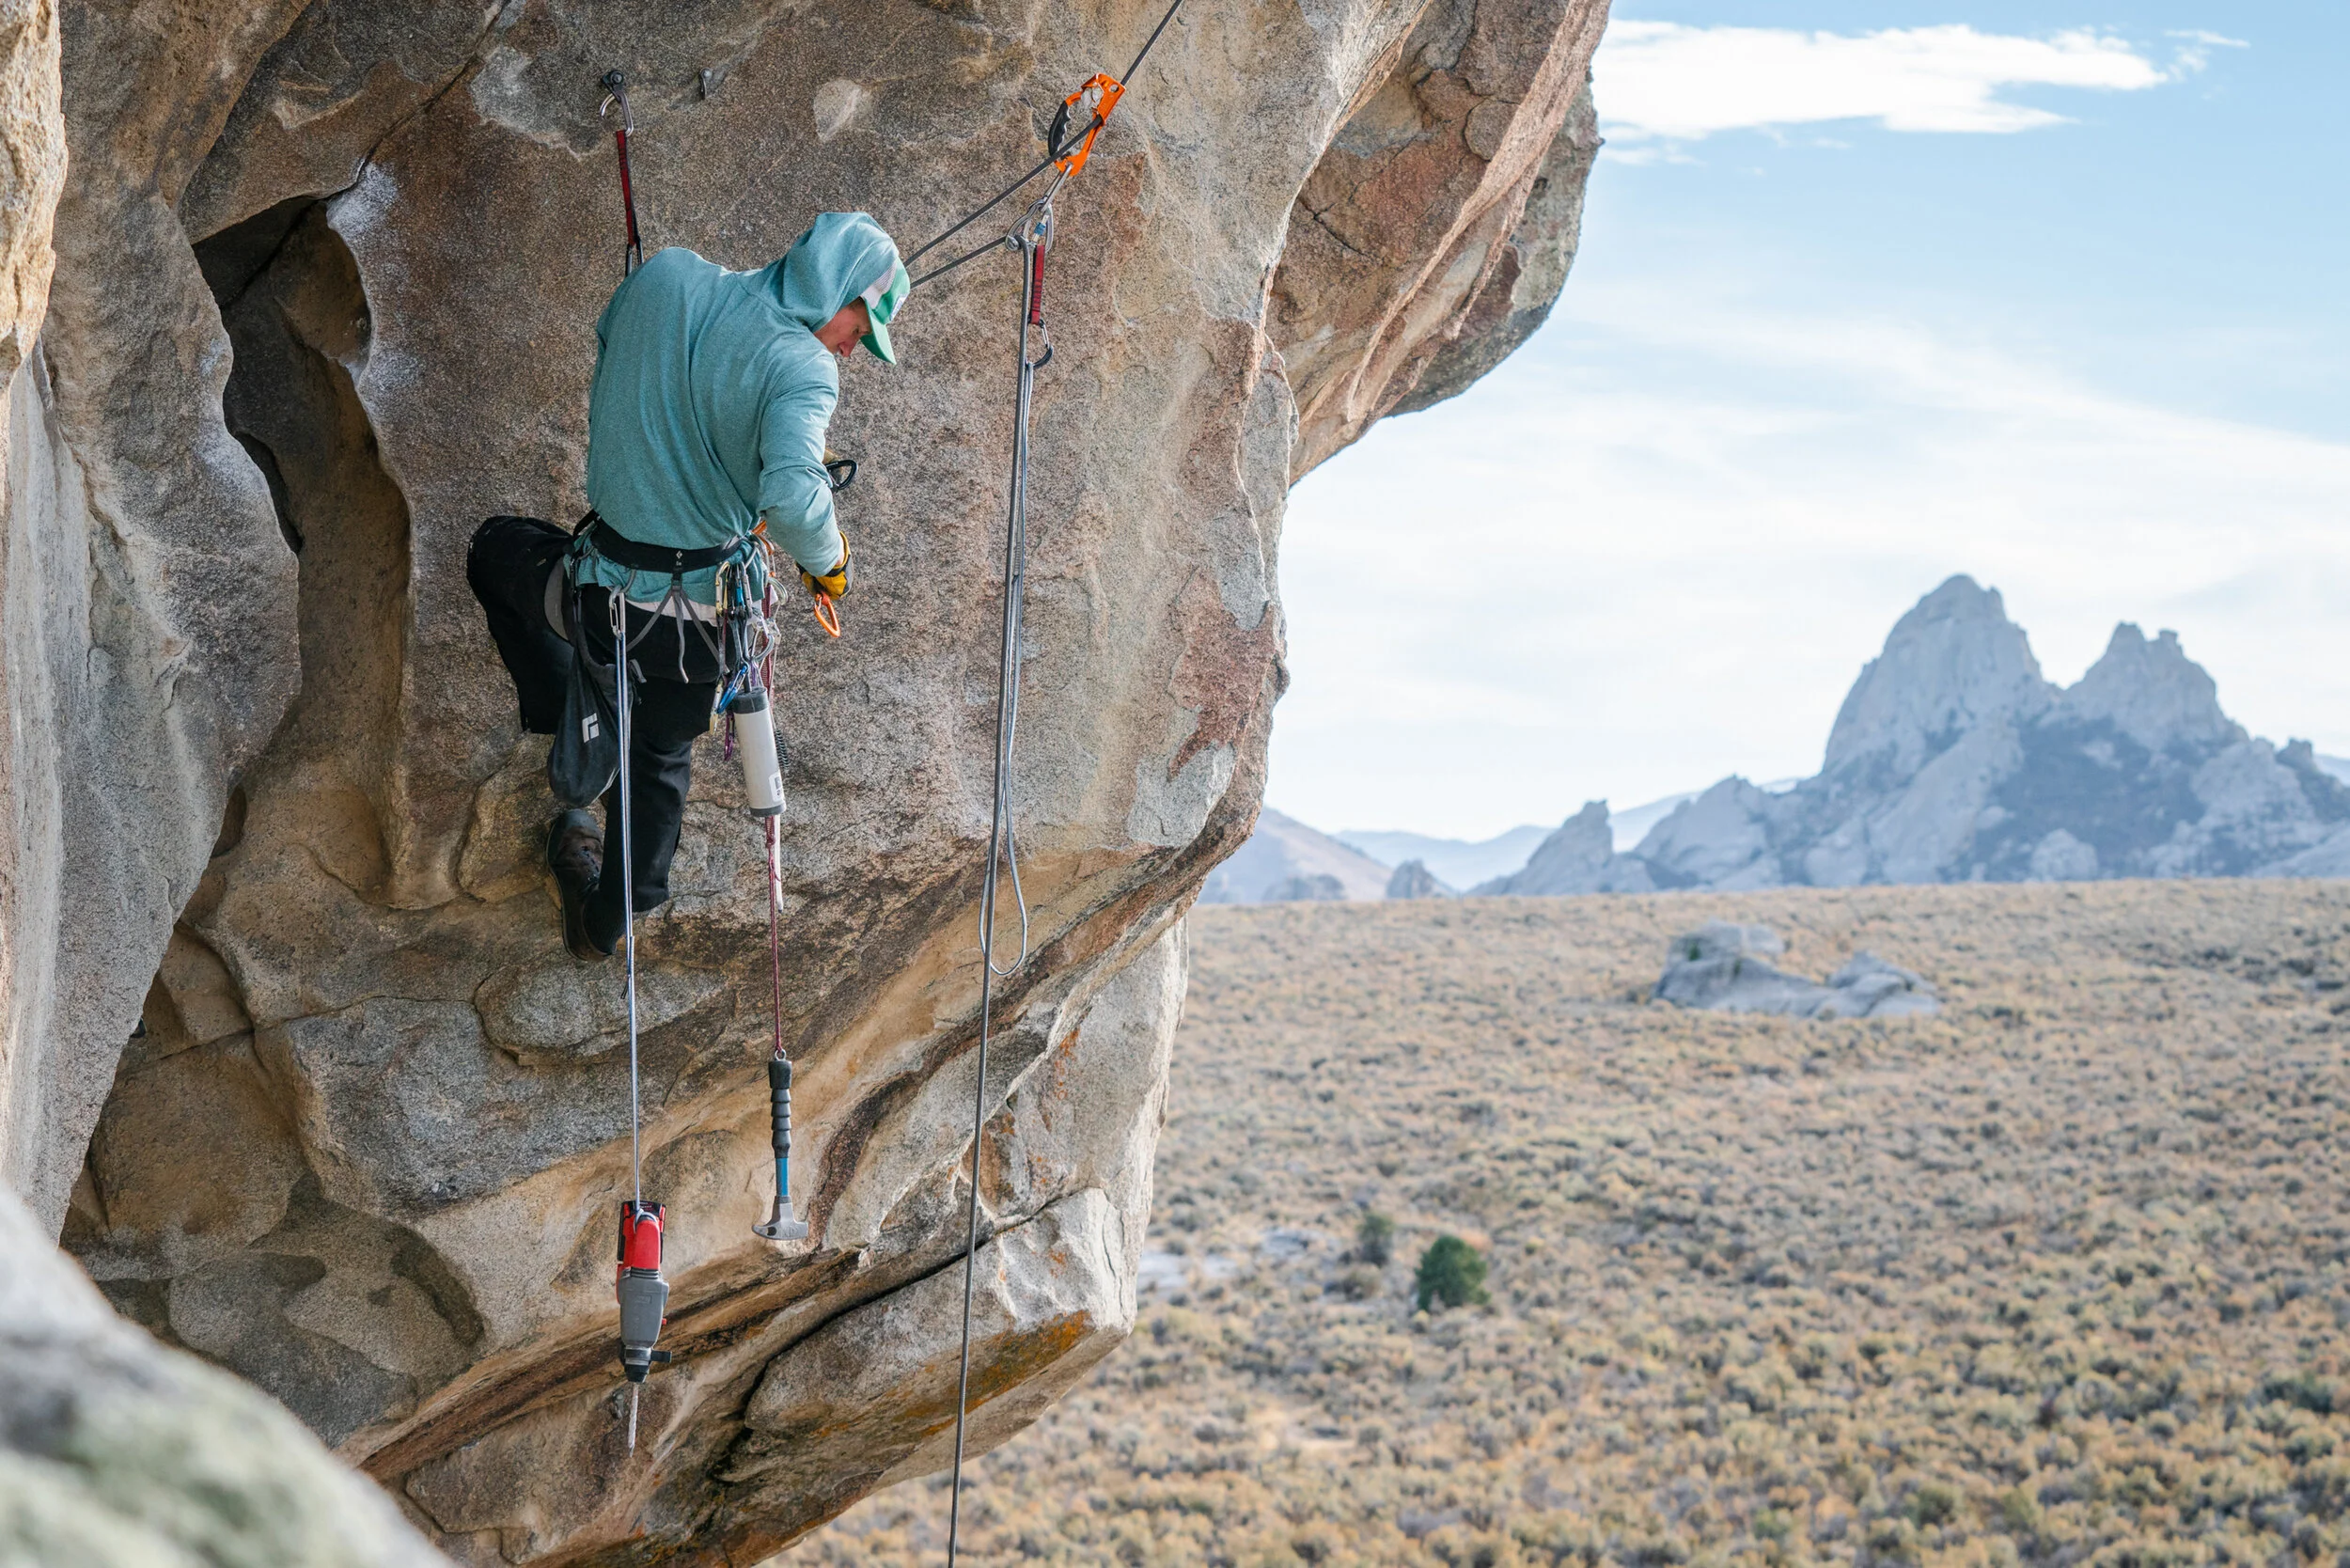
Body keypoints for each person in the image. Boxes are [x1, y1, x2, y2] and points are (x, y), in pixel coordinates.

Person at [468, 212, 908, 961]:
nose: (855, 348)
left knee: (495, 551)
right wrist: (829, 562)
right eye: (860, 326)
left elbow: (611, 357)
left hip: (596, 602)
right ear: (834, 287)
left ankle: (567, 712)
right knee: (662, 755)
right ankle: (609, 919)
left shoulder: (665, 276)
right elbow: (797, 500)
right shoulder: (805, 370)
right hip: (692, 631)